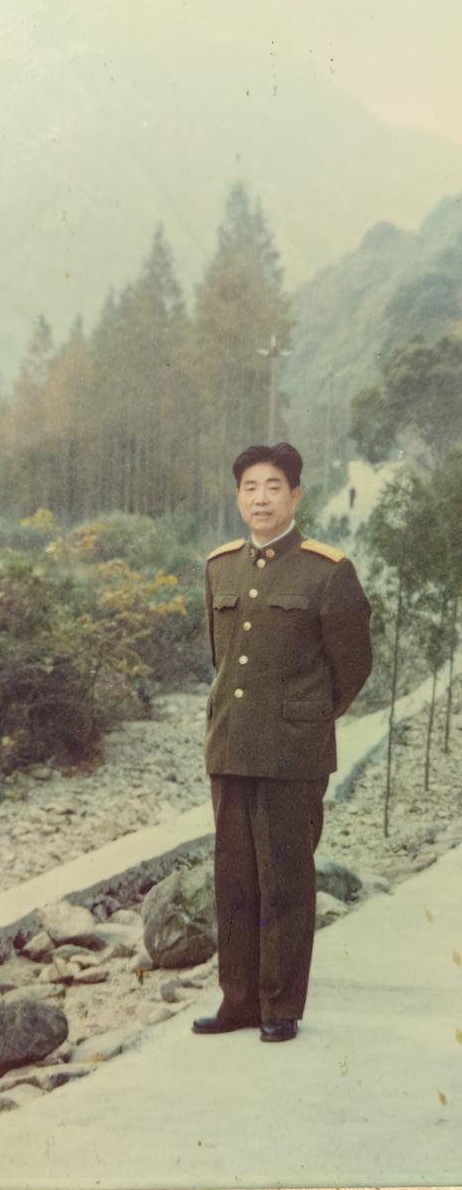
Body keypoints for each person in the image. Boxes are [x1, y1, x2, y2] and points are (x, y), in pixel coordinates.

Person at [193, 441, 372, 1043]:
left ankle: (280, 1005)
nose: (261, 498)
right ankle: (238, 1000)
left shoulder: (328, 571)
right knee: (234, 876)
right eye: (250, 487)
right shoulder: (220, 566)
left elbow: (352, 667)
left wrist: (306, 716)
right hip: (230, 745)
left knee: (286, 879)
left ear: (295, 495)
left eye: (273, 487)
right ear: (237, 497)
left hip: (293, 753)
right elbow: (221, 658)